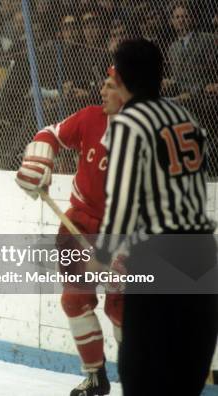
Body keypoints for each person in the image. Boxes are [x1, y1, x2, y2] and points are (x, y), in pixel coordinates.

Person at [94, 38, 217, 396]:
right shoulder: (185, 116)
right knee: (187, 361)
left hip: (161, 251)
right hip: (202, 250)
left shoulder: (129, 123)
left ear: (120, 77)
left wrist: (102, 254)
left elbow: (121, 201)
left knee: (143, 366)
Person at [15, 71, 125, 396]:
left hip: (123, 232)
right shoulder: (91, 117)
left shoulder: (145, 134)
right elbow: (50, 133)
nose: (101, 89)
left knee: (124, 311)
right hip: (77, 224)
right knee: (75, 300)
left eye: (110, 85)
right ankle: (95, 377)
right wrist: (39, 159)